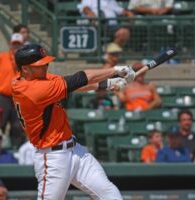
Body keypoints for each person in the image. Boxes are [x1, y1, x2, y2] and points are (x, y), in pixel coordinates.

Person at [12, 43, 135, 199]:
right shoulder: (32, 90)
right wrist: (116, 71)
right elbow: (78, 79)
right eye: (40, 65)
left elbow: (71, 86)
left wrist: (106, 84)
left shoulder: (36, 78)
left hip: (76, 151)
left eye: (46, 63)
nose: (46, 66)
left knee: (110, 193)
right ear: (25, 69)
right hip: (52, 158)